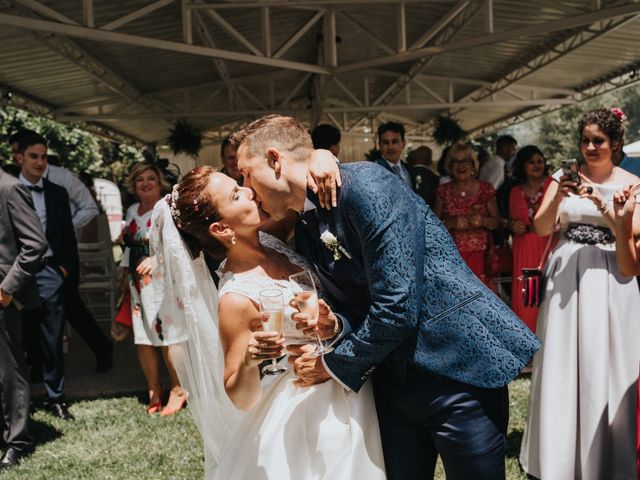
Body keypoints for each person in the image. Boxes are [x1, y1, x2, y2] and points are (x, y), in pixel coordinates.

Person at [233, 115, 540, 479]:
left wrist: (331, 365)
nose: (246, 187)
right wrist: (335, 322)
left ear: (274, 159)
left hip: (457, 372)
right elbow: (352, 300)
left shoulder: (366, 185)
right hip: (391, 386)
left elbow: (397, 307)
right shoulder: (303, 221)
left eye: (245, 174)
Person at [154, 166, 385, 479]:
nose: (249, 191)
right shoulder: (236, 297)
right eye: (237, 195)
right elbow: (238, 394)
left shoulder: (270, 240)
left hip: (345, 376)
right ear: (221, 229)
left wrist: (320, 156)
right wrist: (250, 359)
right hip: (305, 405)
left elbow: (295, 193)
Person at [520, 108, 640, 479]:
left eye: (598, 141)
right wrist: (561, 197)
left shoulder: (631, 183)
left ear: (615, 143)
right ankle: (558, 456)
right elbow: (541, 227)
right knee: (560, 357)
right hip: (565, 274)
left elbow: (632, 232)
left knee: (610, 358)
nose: (590, 147)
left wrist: (600, 202)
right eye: (585, 140)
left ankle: (608, 455)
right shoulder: (562, 177)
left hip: (613, 275)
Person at [9, 130, 112, 373]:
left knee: (72, 310)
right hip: (28, 262)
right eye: (17, 152)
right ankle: (36, 366)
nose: (16, 157)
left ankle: (102, 349)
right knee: (31, 316)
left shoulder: (62, 178)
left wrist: (58, 233)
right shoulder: (13, 181)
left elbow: (88, 207)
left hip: (59, 259)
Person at [15, 133, 77, 420]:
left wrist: (62, 269)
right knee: (18, 340)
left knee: (52, 339)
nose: (40, 162)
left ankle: (56, 398)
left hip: (50, 270)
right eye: (33, 156)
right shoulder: (7, 191)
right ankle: (20, 401)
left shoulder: (57, 193)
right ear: (20, 158)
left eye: (43, 157)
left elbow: (67, 235)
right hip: (16, 273)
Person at [120, 162, 187, 415]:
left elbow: (181, 244)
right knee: (144, 338)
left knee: (167, 337)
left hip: (163, 281)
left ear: (160, 183)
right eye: (140, 180)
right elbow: (129, 246)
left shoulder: (167, 207)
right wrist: (123, 275)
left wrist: (158, 259)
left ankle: (178, 388)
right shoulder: (131, 210)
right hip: (137, 283)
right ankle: (153, 388)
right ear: (133, 185)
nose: (146, 183)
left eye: (151, 179)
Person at [0, 166, 48, 471]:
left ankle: (16, 441)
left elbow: (35, 244)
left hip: (3, 297)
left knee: (9, 370)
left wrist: (7, 288)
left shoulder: (9, 188)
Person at [434, 143, 500, 290]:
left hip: (481, 259)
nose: (460, 166)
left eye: (465, 161)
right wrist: (451, 223)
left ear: (473, 164)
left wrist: (483, 221)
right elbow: (433, 227)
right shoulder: (442, 191)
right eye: (455, 162)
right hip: (452, 259)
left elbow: (497, 221)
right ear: (450, 166)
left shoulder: (485, 189)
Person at [507, 145, 553, 331]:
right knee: (530, 297)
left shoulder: (553, 185)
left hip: (550, 247)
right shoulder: (515, 191)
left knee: (552, 294)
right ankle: (531, 344)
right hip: (527, 252)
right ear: (522, 166)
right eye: (531, 162)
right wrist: (512, 225)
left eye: (540, 161)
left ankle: (552, 342)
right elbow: (510, 221)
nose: (537, 165)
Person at [374, 122, 413, 188]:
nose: (390, 147)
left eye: (395, 142)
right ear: (380, 145)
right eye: (385, 142)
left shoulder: (410, 170)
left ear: (403, 144)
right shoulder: (374, 171)